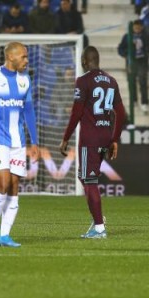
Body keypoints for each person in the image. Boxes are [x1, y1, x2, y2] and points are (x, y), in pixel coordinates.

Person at [0, 42, 39, 247]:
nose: (27, 60)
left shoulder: (25, 79)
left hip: (18, 142)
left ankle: (5, 234)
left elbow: (28, 111)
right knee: (2, 183)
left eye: (27, 57)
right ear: (11, 57)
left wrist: (34, 141)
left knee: (14, 187)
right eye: (23, 56)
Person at [59, 46, 126, 239]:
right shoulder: (111, 81)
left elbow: (77, 112)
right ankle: (98, 218)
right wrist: (114, 139)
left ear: (84, 61)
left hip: (90, 138)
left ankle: (99, 228)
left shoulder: (83, 81)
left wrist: (65, 137)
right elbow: (120, 113)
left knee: (89, 180)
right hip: (105, 135)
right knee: (85, 177)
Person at [118, 19, 148, 114]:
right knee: (131, 81)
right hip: (131, 62)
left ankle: (144, 102)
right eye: (135, 28)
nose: (137, 30)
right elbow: (120, 48)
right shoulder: (127, 36)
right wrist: (126, 54)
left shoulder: (146, 36)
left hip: (142, 62)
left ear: (142, 28)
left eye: (139, 28)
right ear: (132, 28)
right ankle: (134, 100)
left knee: (143, 81)